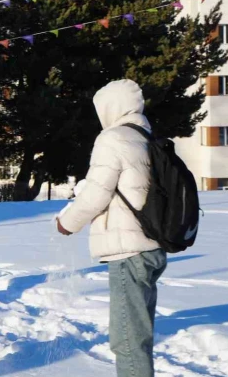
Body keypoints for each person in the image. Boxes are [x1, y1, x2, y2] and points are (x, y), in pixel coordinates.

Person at [56, 79, 166, 377]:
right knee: (139, 337)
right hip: (152, 247)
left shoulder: (113, 138)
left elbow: (96, 193)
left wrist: (67, 223)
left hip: (128, 251)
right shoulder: (146, 135)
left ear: (111, 107)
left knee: (128, 340)